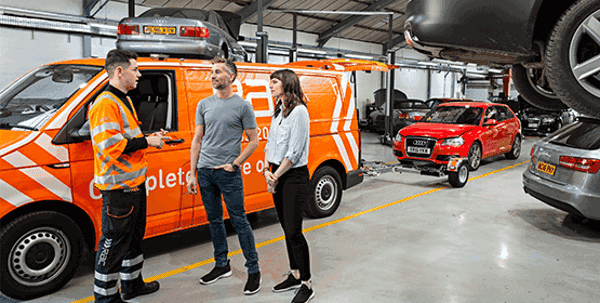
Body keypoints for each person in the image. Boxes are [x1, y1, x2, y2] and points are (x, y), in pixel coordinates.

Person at [89, 49, 169, 303]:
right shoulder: (105, 103)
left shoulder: (124, 99)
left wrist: (149, 137)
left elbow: (128, 136)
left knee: (133, 239)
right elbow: (112, 146)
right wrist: (149, 141)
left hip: (134, 184)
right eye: (135, 69)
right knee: (113, 243)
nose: (139, 74)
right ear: (120, 71)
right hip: (119, 188)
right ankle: (105, 298)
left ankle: (132, 284)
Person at [186, 57, 261, 295]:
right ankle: (221, 265)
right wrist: (192, 172)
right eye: (212, 72)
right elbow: (197, 139)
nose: (213, 76)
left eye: (218, 72)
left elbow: (254, 141)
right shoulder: (203, 104)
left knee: (239, 221)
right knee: (214, 221)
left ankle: (253, 270)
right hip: (205, 172)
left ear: (231, 76)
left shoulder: (243, 106)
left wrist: (235, 164)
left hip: (228, 174)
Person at [263, 69, 314, 303]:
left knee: (294, 231)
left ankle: (307, 283)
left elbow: (294, 152)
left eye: (275, 82)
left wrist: (276, 175)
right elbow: (270, 143)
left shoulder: (300, 112)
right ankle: (294, 274)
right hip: (277, 174)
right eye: (270, 81)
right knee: (286, 229)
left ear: (288, 84)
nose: (271, 85)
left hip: (294, 177)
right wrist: (267, 170)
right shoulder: (278, 111)